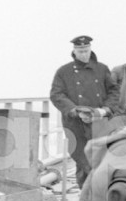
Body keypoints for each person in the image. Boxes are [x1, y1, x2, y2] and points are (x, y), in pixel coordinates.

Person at [49, 35, 119, 187]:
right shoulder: (64, 72)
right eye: (80, 51)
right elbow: (56, 94)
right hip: (75, 125)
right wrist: (75, 110)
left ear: (90, 49)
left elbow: (114, 92)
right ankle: (88, 198)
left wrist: (105, 110)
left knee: (100, 160)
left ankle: (95, 198)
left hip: (99, 123)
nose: (84, 54)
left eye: (86, 50)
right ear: (74, 51)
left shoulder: (102, 69)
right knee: (83, 161)